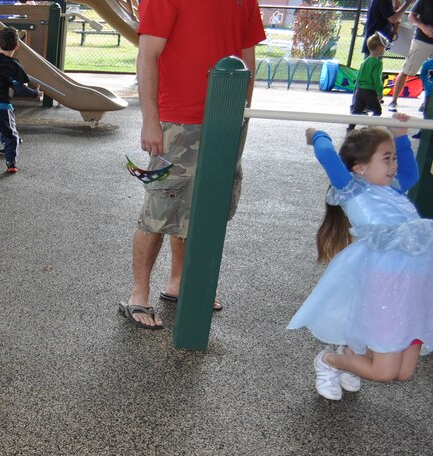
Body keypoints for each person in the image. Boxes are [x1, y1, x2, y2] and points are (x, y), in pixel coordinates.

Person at [117, 0, 265, 330]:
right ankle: (138, 295)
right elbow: (148, 55)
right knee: (161, 207)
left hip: (226, 118)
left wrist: (242, 115)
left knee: (206, 205)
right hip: (177, 120)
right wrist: (151, 120)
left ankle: (180, 284)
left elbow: (247, 56)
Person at [289, 122, 432, 399]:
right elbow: (328, 155)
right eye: (386, 158)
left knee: (403, 374)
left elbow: (411, 174)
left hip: (416, 288)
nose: (393, 165)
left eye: (394, 158)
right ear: (360, 167)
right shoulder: (354, 189)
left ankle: (352, 356)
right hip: (388, 283)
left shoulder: (395, 189)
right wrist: (316, 135)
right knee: (384, 372)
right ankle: (330, 361)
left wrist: (401, 138)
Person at [0, 27, 38, 174]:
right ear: (17, 46)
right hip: (2, 107)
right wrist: (35, 94)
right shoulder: (13, 65)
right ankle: (10, 162)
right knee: (11, 135)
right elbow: (20, 89)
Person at [387, 0, 433, 112]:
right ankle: (393, 101)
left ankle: (427, 101)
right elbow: (411, 16)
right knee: (407, 69)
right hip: (422, 40)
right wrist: (422, 27)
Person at [349, 33, 387, 132]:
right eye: (384, 47)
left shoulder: (364, 62)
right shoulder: (378, 63)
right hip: (369, 91)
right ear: (379, 48)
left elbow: (359, 77)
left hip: (359, 90)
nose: (384, 50)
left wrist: (357, 90)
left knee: (356, 111)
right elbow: (377, 78)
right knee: (377, 111)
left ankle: (350, 127)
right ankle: (371, 128)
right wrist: (380, 92)